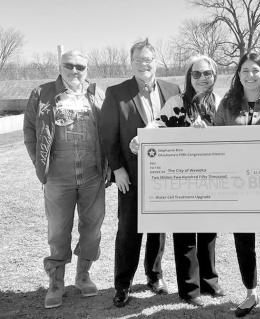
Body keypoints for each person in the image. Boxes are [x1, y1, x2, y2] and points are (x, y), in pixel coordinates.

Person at [131, 55, 225, 307]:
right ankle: (190, 289)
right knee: (184, 235)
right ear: (189, 77)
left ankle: (210, 281)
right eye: (197, 74)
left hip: (212, 177)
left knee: (208, 233)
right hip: (182, 177)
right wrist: (142, 138)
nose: (202, 78)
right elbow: (158, 124)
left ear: (214, 76)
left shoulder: (221, 102)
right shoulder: (177, 102)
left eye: (208, 73)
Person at [23, 50, 108, 309]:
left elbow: (109, 128)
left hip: (92, 174)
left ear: (87, 70)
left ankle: (83, 275)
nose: (74, 71)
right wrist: (41, 165)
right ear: (60, 67)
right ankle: (56, 282)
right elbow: (29, 130)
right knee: (58, 231)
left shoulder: (97, 94)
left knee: (92, 228)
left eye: (80, 67)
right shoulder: (43, 93)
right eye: (69, 65)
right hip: (58, 177)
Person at [100, 39, 181, 308]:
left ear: (155, 62)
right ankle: (122, 284)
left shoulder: (173, 90)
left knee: (158, 230)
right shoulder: (116, 93)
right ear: (131, 63)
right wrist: (117, 170)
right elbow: (108, 135)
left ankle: (154, 275)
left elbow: (180, 128)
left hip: (165, 174)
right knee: (128, 231)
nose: (144, 65)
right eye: (138, 61)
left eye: (148, 60)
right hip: (131, 176)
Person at [214, 52, 260, 319]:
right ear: (238, 74)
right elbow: (215, 141)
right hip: (237, 187)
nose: (250, 75)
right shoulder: (227, 104)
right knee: (243, 242)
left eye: (255, 70)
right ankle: (250, 294)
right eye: (244, 70)